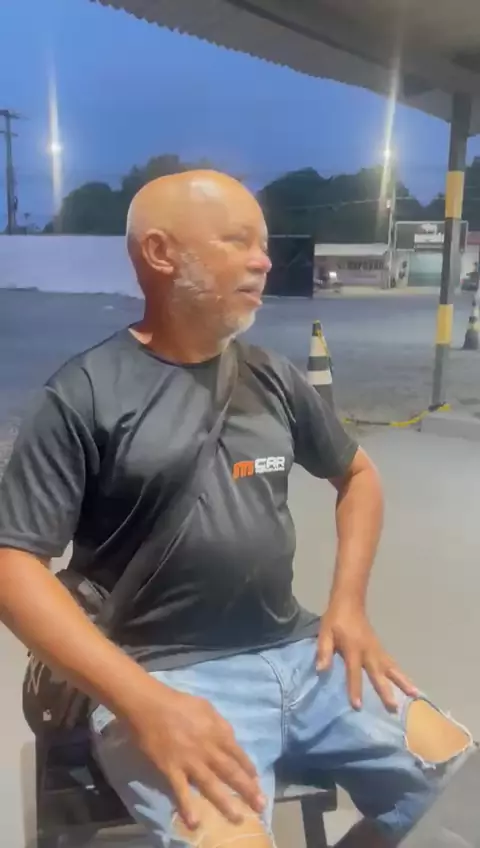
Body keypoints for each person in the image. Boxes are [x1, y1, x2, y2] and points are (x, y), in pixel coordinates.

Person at [0, 171, 473, 848]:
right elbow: (14, 568)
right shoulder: (84, 394)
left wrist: (347, 607)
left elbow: (358, 476)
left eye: (264, 244)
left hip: (304, 656)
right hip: (162, 675)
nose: (264, 261)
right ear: (161, 254)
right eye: (238, 241)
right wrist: (144, 704)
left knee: (463, 795)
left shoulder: (273, 376)